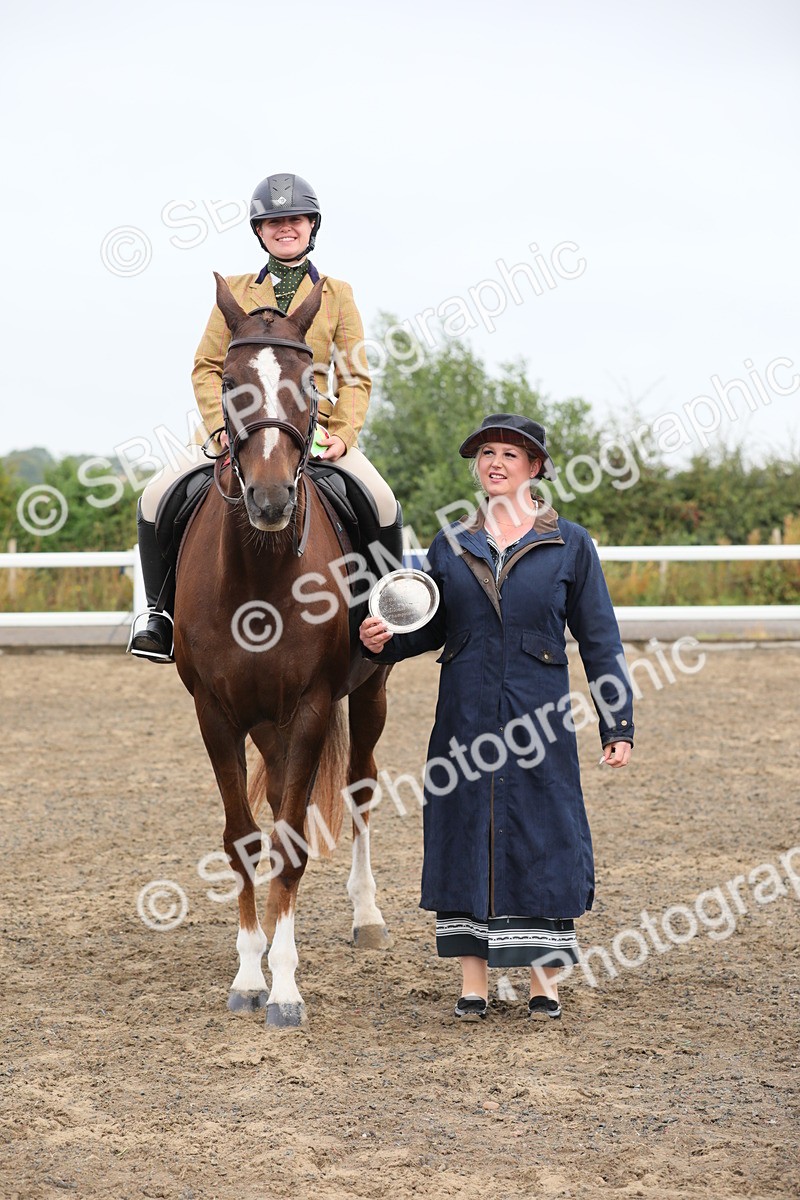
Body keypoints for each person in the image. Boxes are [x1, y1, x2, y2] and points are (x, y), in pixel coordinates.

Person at [359, 413, 634, 1022]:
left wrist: (617, 723)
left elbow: (600, 641)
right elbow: (431, 622)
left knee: (543, 833)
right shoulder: (450, 544)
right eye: (486, 453)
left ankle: (544, 985)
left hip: (541, 720)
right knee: (464, 831)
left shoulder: (571, 544)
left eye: (510, 453)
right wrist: (387, 637)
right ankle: (473, 985)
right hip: (463, 714)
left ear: (535, 468)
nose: (496, 462)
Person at [129, 171, 401, 662]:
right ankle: (159, 614)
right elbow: (207, 366)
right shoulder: (233, 291)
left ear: (311, 225)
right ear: (260, 231)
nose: (285, 228)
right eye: (274, 222)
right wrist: (217, 424)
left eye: (294, 219)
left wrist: (342, 434)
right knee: (154, 498)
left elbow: (356, 376)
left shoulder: (338, 294)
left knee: (382, 502)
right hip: (236, 430)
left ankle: (381, 618)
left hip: (313, 431)